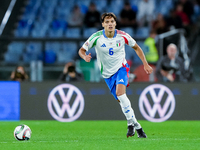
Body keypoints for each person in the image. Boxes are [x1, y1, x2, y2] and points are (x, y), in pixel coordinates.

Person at [78, 12, 153, 138]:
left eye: (112, 21)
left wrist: (145, 64)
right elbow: (81, 50)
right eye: (107, 22)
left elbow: (137, 48)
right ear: (103, 24)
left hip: (121, 68)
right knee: (122, 100)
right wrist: (84, 56)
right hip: (107, 75)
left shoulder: (123, 36)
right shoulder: (96, 37)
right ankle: (135, 125)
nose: (110, 24)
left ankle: (134, 127)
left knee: (120, 94)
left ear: (115, 23)